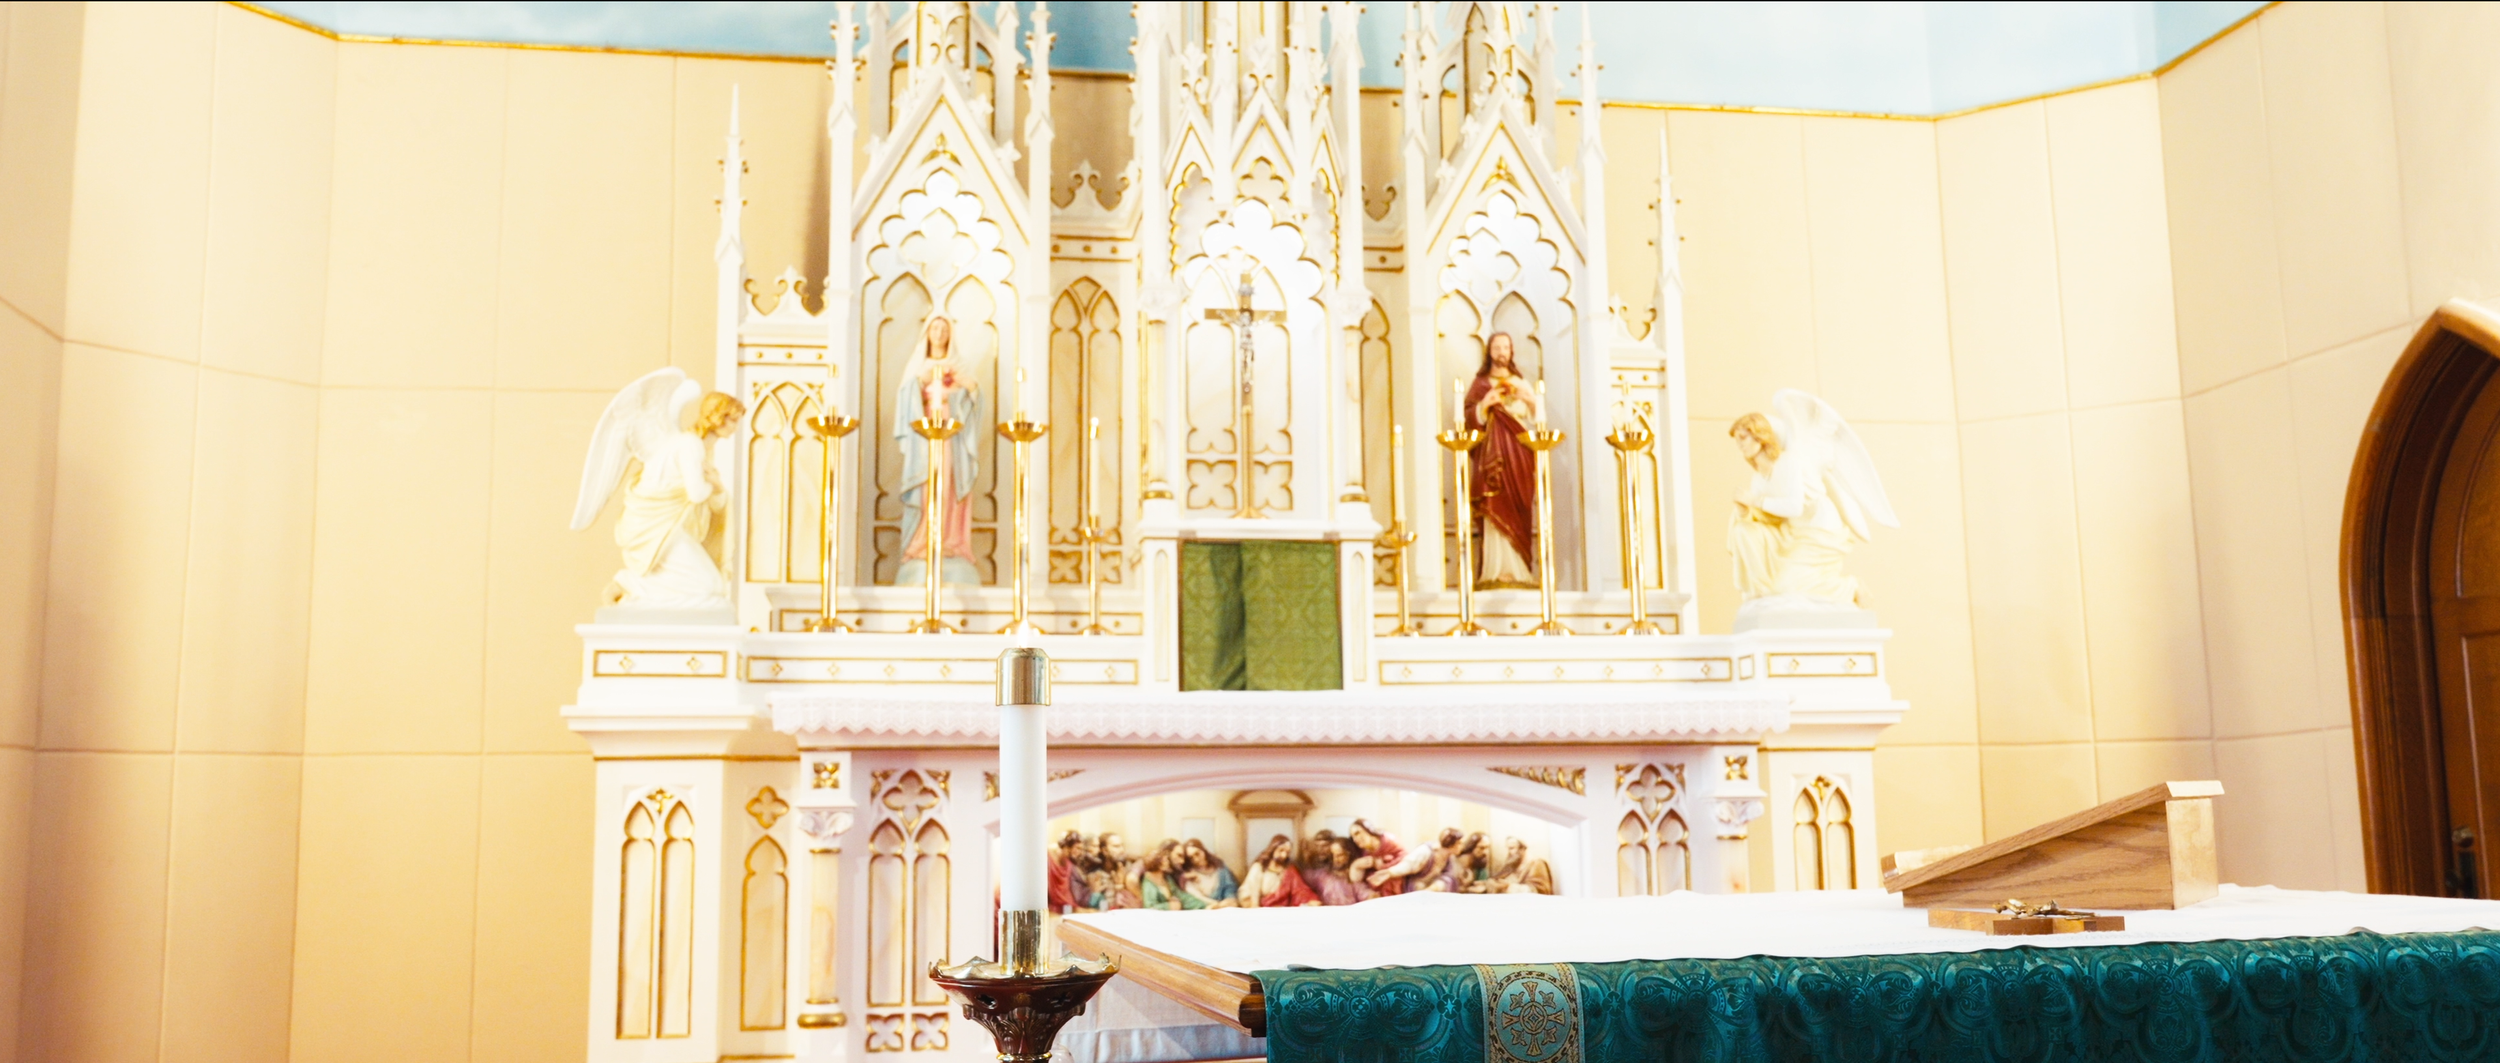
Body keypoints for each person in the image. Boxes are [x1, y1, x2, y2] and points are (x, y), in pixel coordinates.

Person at [894, 314, 984, 585]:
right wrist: (919, 383)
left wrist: (969, 390)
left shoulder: (959, 365)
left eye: (944, 328)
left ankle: (950, 540)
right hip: (923, 439)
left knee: (949, 486)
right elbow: (904, 398)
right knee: (927, 487)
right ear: (927, 332)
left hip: (952, 437)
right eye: (935, 327)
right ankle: (922, 542)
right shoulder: (917, 365)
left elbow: (974, 398)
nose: (939, 333)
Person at [1463, 332, 1545, 589]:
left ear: (1511, 352)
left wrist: (1530, 401)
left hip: (1519, 454)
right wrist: (1485, 405)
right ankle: (1495, 569)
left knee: (1518, 507)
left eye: (1506, 347)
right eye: (1497, 347)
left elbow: (1539, 422)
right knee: (1495, 504)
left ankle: (1520, 569)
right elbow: (1468, 419)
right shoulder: (1480, 384)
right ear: (1489, 351)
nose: (1501, 351)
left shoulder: (1522, 383)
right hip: (1492, 455)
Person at [1240, 834, 1321, 908]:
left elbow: (1299, 889)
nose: (1284, 855)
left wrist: (1308, 900)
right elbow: (1251, 895)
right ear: (1273, 849)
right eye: (1281, 850)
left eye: (1287, 852)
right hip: (1262, 911)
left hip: (1283, 912)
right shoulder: (1259, 868)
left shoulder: (1289, 870)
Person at [1349, 819, 1427, 895]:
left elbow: (1404, 859)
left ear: (1368, 829)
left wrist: (1383, 866)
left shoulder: (1389, 840)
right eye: (1353, 837)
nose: (1355, 839)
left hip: (1401, 884)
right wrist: (1357, 865)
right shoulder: (1364, 852)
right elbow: (1362, 878)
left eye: (1357, 833)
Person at [1308, 837, 1372, 906]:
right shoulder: (1322, 875)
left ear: (1348, 855)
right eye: (1332, 855)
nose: (1335, 859)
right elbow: (1301, 887)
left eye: (1339, 855)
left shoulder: (1353, 877)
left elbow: (1366, 895)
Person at [1137, 842, 1185, 910]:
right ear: (1157, 863)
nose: (1168, 862)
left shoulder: (1167, 879)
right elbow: (1149, 907)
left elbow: (1178, 893)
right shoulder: (1149, 884)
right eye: (1165, 860)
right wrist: (1168, 906)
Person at [1047, 830, 1085, 914]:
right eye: (1078, 848)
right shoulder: (1046, 858)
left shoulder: (1068, 863)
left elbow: (1066, 894)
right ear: (1067, 846)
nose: (1079, 852)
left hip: (1064, 909)